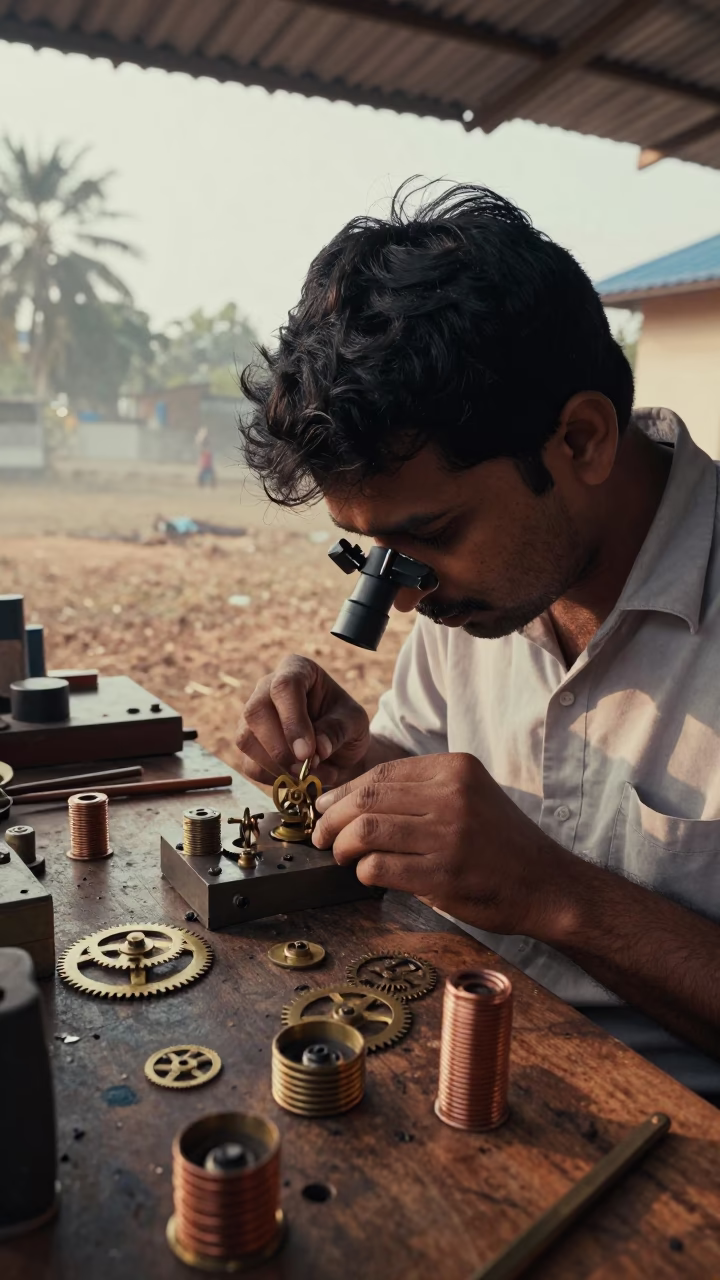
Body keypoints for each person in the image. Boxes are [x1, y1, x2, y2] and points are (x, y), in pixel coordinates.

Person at [236, 182, 720, 1099]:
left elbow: (516, 871)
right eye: (371, 552)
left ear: (581, 440)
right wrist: (354, 766)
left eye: (430, 535)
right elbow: (429, 793)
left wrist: (554, 894)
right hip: (447, 1053)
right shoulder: (477, 593)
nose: (399, 597)